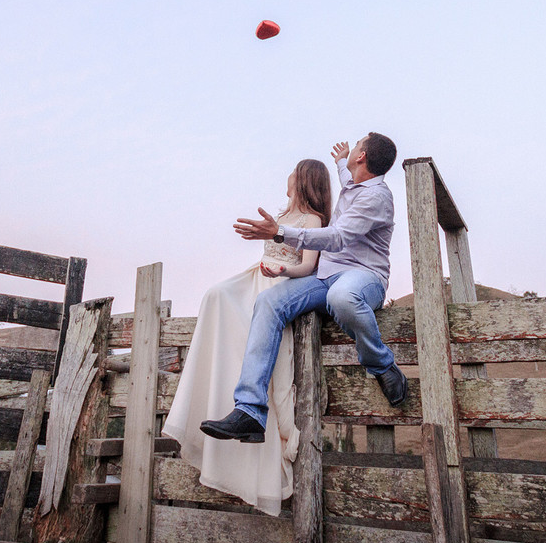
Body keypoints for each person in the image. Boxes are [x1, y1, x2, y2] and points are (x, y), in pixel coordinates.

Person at [200, 132, 406, 451]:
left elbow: (337, 238)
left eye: (357, 145)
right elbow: (344, 174)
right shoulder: (353, 182)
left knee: (342, 298)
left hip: (363, 276)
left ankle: (381, 365)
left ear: (362, 157)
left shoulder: (376, 197)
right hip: (324, 277)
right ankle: (249, 411)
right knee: (268, 300)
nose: (352, 149)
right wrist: (340, 160)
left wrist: (280, 233)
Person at [162, 159, 332, 516]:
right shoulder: (281, 213)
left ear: (303, 180)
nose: (286, 178)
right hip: (255, 276)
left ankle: (249, 409)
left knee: (257, 336)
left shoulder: (313, 221)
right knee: (215, 294)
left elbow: (309, 267)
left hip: (280, 285)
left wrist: (283, 268)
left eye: (293, 173)